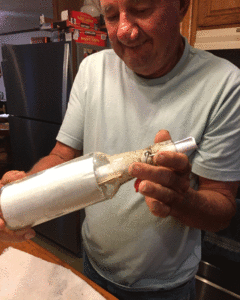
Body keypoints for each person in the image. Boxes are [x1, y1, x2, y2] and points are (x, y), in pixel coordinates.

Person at [1, 0, 240, 299]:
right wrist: (24, 194)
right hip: (93, 267)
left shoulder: (225, 84)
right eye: (111, 15)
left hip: (165, 287)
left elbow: (222, 206)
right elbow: (62, 156)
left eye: (141, 8)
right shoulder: (91, 69)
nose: (125, 30)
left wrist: (182, 200)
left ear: (181, 6)